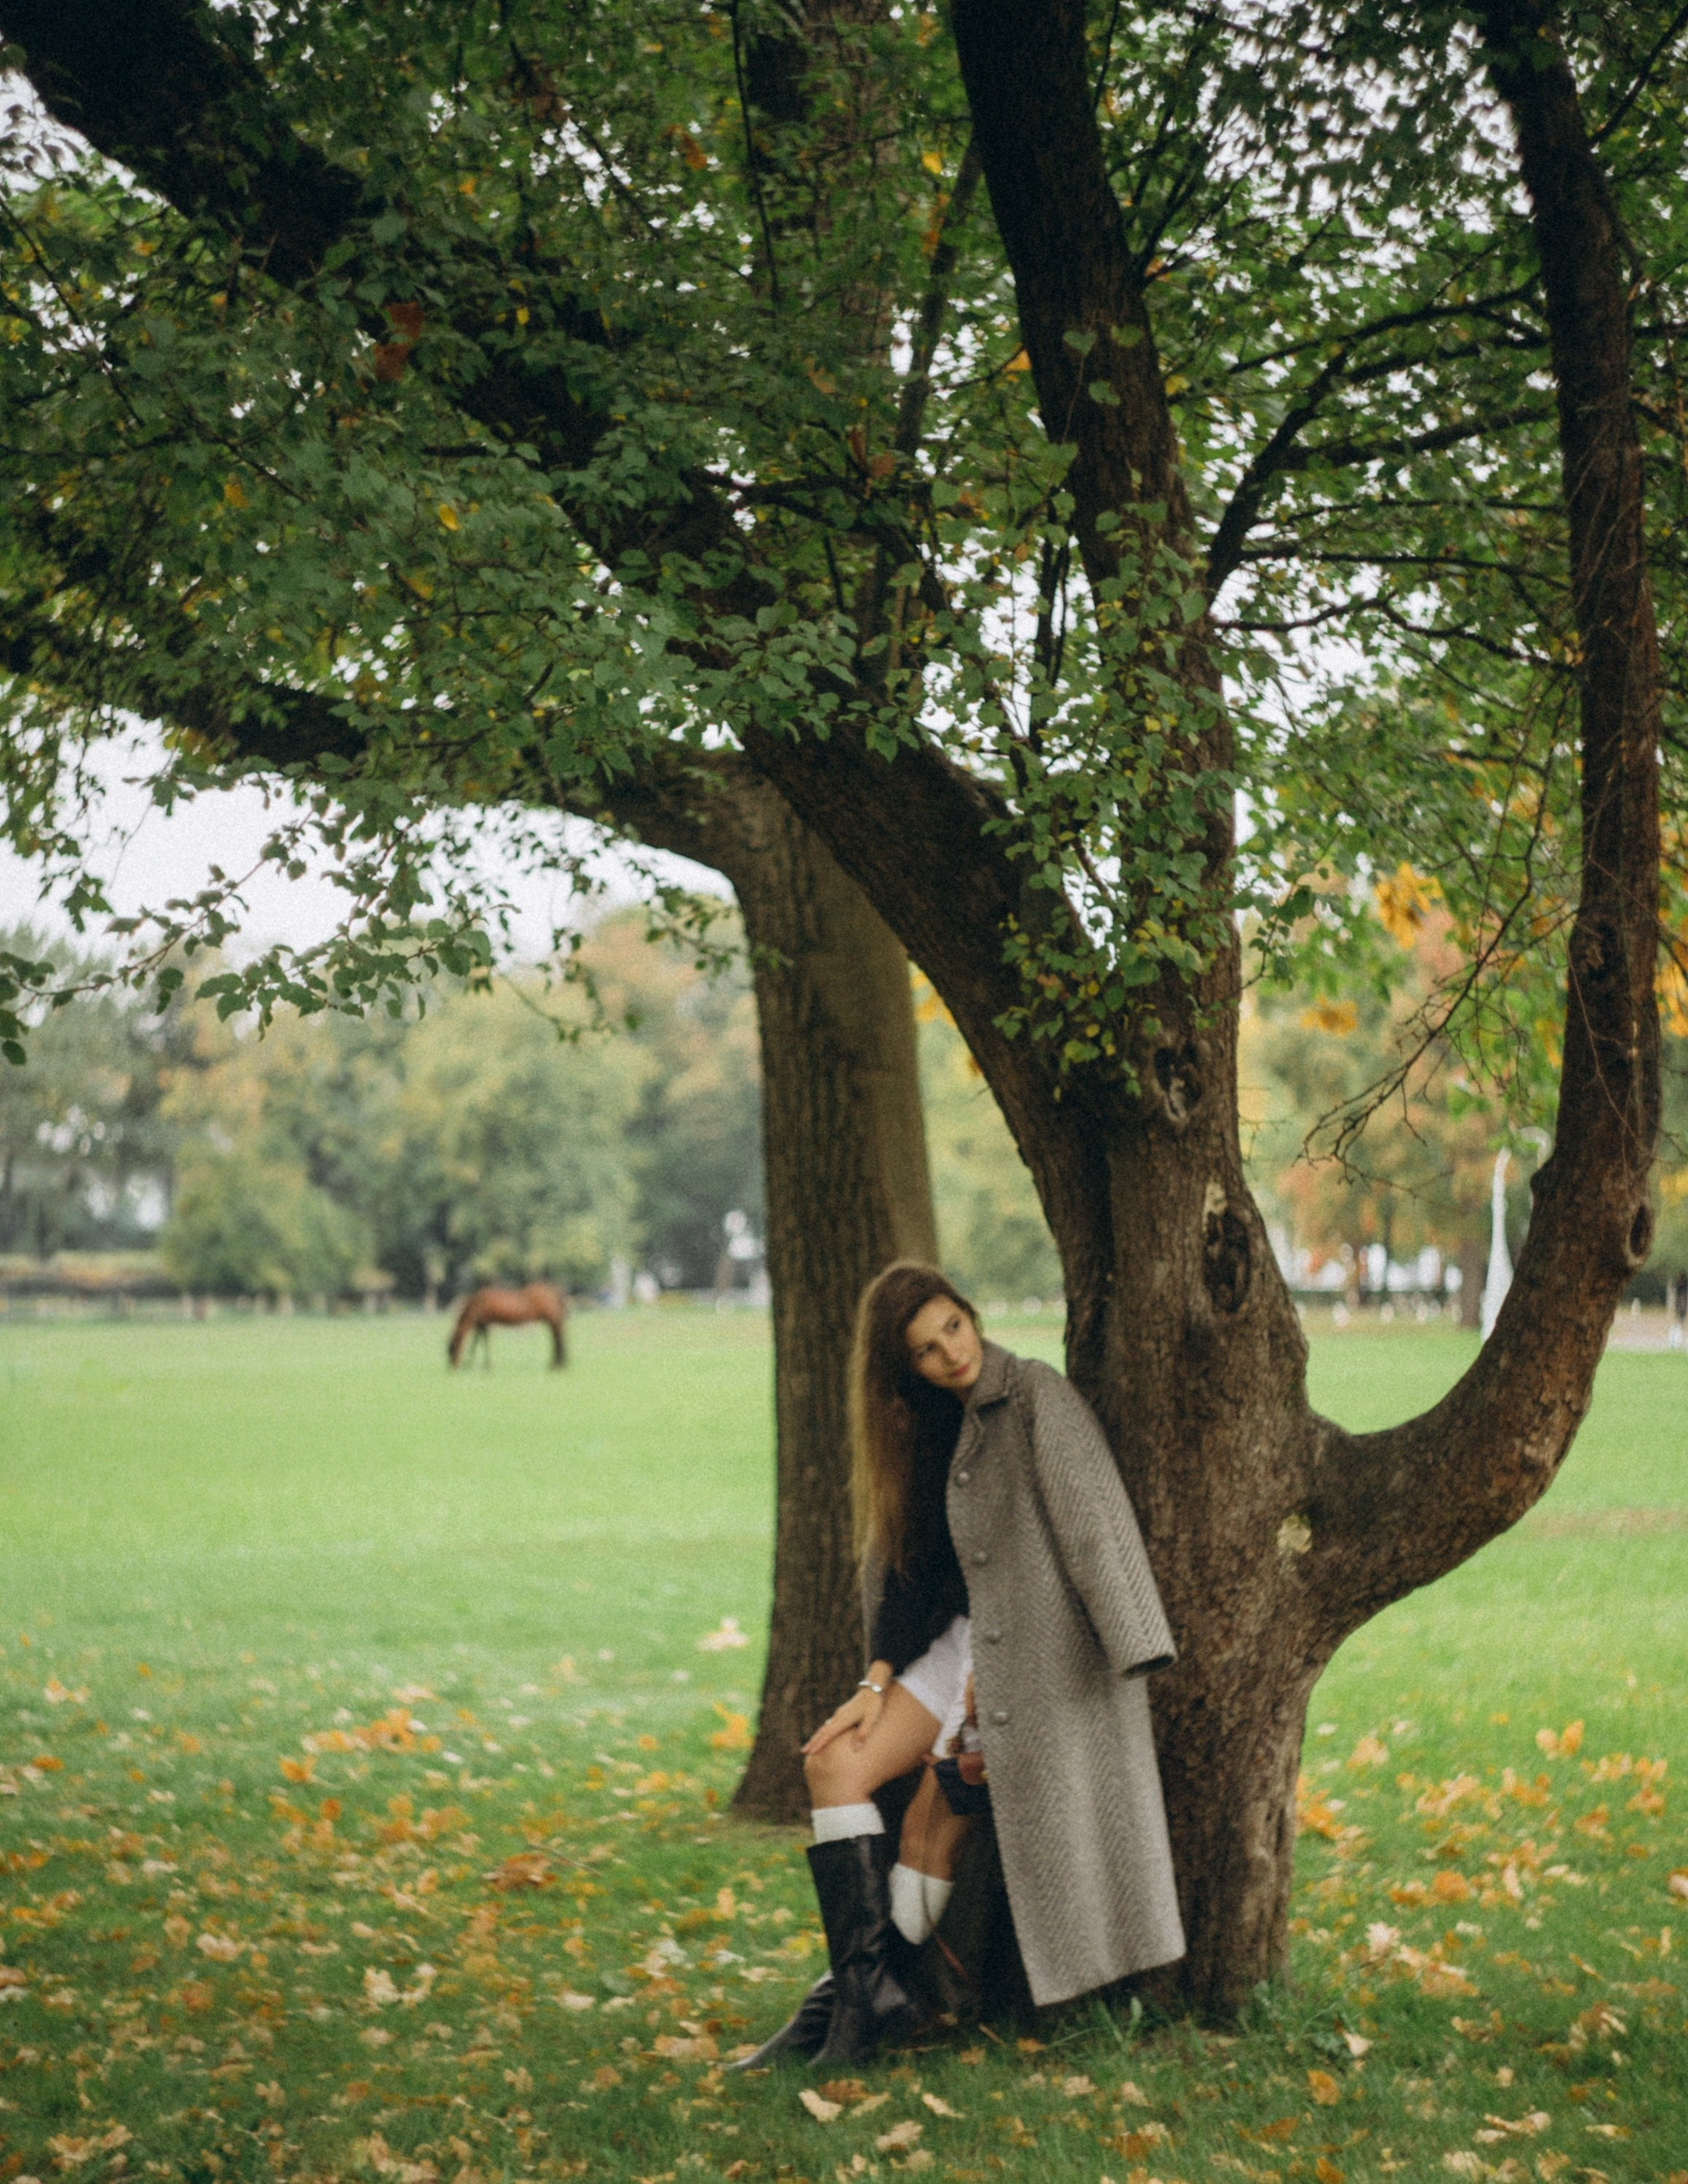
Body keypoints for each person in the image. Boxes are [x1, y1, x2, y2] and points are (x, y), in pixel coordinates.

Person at [734, 1262, 1185, 2070]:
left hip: (1034, 1660)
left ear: (969, 1315)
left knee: (923, 1833)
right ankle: (861, 1994)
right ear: (901, 1368)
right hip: (950, 1653)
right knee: (832, 1765)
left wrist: (1132, 1638)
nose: (950, 1353)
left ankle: (849, 2007)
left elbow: (1091, 1525)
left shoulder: (1034, 1396)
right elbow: (907, 1578)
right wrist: (873, 1687)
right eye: (924, 1348)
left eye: (952, 1326)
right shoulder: (908, 1433)